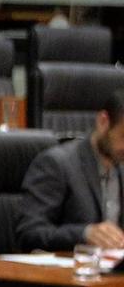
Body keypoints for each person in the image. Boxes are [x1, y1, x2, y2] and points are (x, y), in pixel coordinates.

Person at [13, 84, 124, 251]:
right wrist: (84, 234)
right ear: (103, 122)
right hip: (66, 273)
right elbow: (29, 233)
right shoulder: (56, 164)